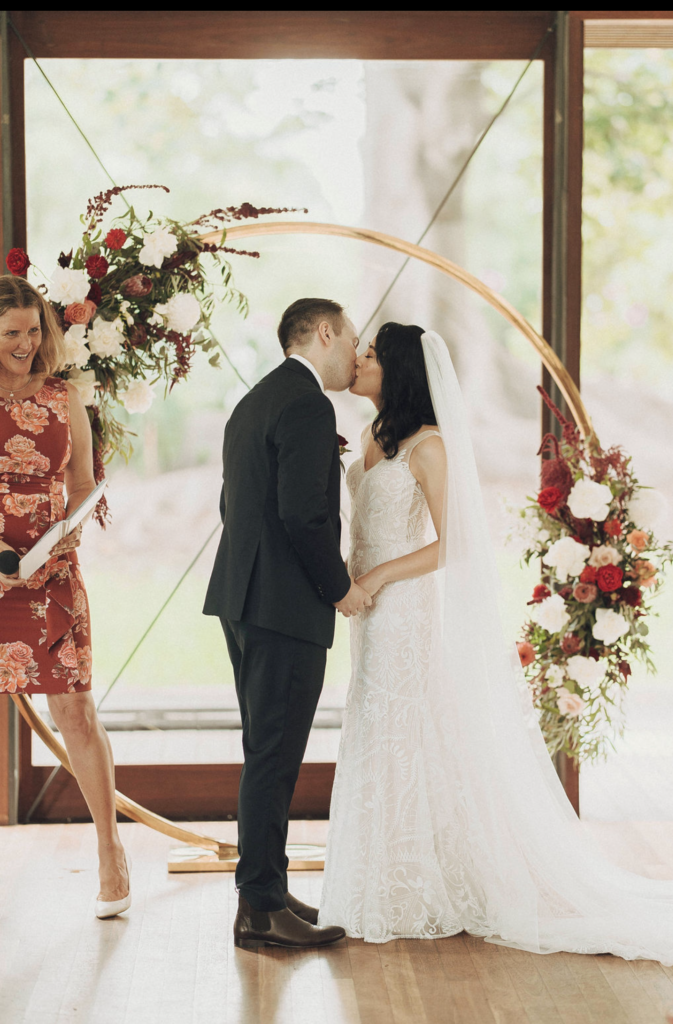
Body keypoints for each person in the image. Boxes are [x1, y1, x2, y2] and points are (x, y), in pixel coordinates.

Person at [319, 322, 673, 963]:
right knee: (375, 725)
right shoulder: (373, 435)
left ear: (396, 370)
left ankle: (418, 885)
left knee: (407, 724)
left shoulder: (429, 445)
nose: (359, 360)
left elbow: (451, 544)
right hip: (367, 611)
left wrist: (375, 575)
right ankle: (384, 878)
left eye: (370, 354)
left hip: (402, 604)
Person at [204, 297, 370, 949]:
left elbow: (232, 502)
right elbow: (303, 516)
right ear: (324, 333)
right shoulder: (306, 404)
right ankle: (259, 909)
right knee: (274, 755)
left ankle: (267, 889)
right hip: (283, 606)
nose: (355, 354)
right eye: (351, 339)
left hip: (244, 598)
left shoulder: (256, 399)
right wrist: (339, 589)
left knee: (265, 750)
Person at [0, 275, 130, 920]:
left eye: (33, 331)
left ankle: (109, 849)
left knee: (75, 711)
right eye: (11, 334)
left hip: (49, 573)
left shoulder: (63, 397)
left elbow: (84, 482)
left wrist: (54, 543)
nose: (25, 345)